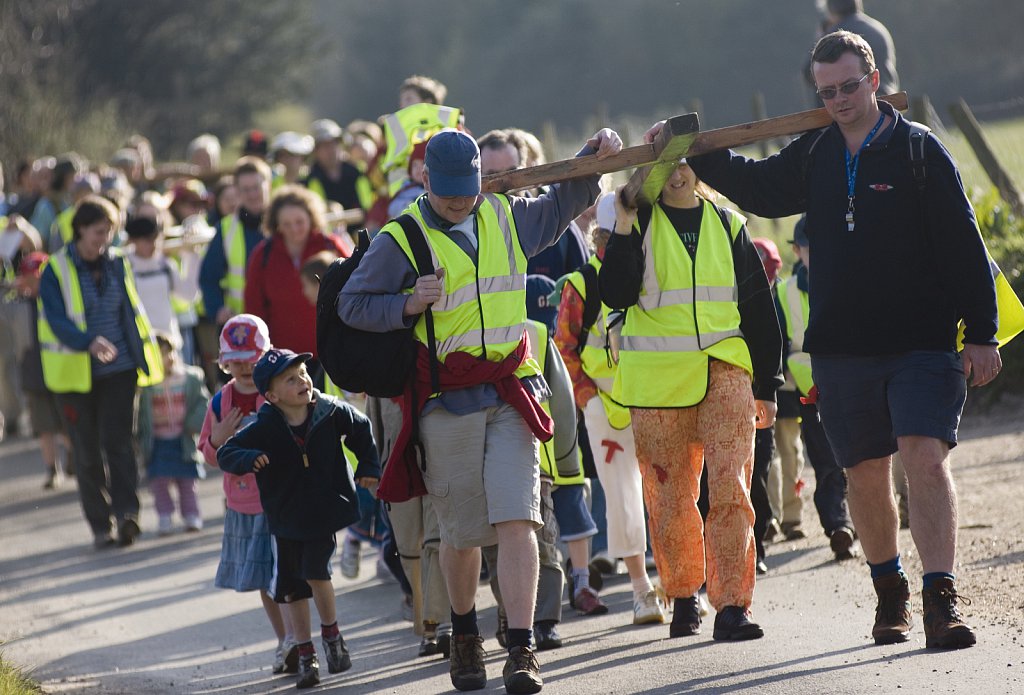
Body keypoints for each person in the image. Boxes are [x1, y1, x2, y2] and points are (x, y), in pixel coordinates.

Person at [682, 30, 997, 650]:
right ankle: (890, 592)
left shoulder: (918, 152)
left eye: (849, 86)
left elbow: (965, 245)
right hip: (842, 348)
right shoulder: (815, 151)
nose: (839, 100)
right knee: (862, 472)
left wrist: (982, 333)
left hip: (922, 342)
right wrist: (696, 149)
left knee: (925, 460)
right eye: (826, 91)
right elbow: (762, 188)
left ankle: (941, 599)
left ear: (875, 79)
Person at [339, 127, 622, 694]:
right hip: (444, 402)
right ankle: (464, 632)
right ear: (425, 179)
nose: (459, 201)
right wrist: (406, 303)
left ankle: (522, 647)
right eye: (447, 192)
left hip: (511, 389)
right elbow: (352, 304)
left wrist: (593, 158)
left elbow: (566, 199)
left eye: (466, 190)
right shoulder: (402, 238)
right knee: (463, 534)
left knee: (520, 519)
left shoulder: (504, 214)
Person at [599, 160, 783, 641]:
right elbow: (615, 291)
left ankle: (732, 607)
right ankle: (684, 597)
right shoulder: (634, 226)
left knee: (730, 488)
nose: (674, 173)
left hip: (725, 370)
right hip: (658, 382)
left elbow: (759, 309)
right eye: (661, 165)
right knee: (670, 495)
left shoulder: (729, 224)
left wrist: (767, 384)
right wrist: (621, 225)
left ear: (698, 167)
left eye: (682, 161)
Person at [218, 348, 381, 689]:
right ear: (273, 395)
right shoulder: (265, 424)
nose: (303, 381)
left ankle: (332, 635)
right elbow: (227, 452)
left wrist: (368, 467)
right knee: (292, 589)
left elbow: (362, 429)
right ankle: (306, 654)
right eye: (291, 379)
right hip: (284, 517)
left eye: (303, 373)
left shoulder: (328, 410)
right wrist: (251, 457)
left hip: (321, 511)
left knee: (317, 573)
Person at [553, 193, 666, 626]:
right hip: (606, 406)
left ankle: (679, 586)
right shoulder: (580, 284)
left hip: (657, 396)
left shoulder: (652, 274)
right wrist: (588, 401)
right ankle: (642, 591)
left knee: (668, 489)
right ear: (600, 239)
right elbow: (565, 347)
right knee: (621, 496)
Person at [37, 195, 164, 548]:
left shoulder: (118, 262)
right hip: (74, 375)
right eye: (97, 232)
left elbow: (128, 312)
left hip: (120, 370)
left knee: (119, 443)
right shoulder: (56, 269)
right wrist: (88, 341)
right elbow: (56, 320)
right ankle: (99, 524)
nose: (103, 239)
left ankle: (127, 516)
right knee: (87, 450)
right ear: (79, 230)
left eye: (108, 232)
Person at [198, 314, 298, 675]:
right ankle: (284, 640)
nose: (242, 367)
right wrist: (218, 438)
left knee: (284, 575)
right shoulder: (219, 403)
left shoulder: (276, 393)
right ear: (224, 362)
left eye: (250, 359)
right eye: (235, 360)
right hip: (244, 506)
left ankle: (296, 641)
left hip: (281, 500)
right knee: (263, 580)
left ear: (265, 355)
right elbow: (208, 456)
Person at [776, 217, 857, 562]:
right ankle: (839, 526)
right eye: (809, 249)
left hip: (853, 386)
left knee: (862, 461)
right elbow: (779, 346)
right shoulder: (783, 293)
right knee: (825, 463)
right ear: (797, 251)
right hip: (810, 396)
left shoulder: (850, 279)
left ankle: (860, 524)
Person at [244, 185, 349, 384]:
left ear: (311, 218)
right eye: (287, 223)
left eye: (299, 222)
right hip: (284, 360)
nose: (294, 229)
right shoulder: (263, 254)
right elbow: (254, 306)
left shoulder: (331, 246)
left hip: (332, 353)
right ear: (276, 224)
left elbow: (355, 290)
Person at [197, 157, 271, 389]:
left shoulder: (283, 221)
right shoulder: (226, 229)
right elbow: (208, 277)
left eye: (256, 187)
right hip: (241, 332)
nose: (252, 194)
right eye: (245, 189)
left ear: (268, 185)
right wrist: (217, 307)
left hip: (277, 322)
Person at [136, 332, 210, 534]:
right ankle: (165, 515)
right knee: (159, 482)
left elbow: (202, 404)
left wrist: (193, 424)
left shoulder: (190, 378)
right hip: (158, 441)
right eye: (160, 354)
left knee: (187, 482)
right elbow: (139, 415)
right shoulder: (146, 385)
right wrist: (140, 438)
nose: (167, 359)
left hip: (183, 439)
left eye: (169, 353)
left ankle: (191, 515)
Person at [14, 250, 73, 488]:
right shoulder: (17, 305)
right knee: (44, 427)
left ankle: (74, 460)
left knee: (66, 424)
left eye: (35, 278)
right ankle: (52, 470)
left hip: (62, 371)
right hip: (34, 374)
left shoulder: (62, 300)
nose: (32, 284)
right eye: (28, 279)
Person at [822, 0, 899, 96]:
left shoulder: (834, 35)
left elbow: (809, 71)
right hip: (889, 96)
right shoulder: (878, 29)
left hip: (860, 101)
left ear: (831, 10)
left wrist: (820, 38)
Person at [305, 119, 372, 213]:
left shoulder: (356, 172)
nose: (330, 150)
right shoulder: (309, 180)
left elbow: (368, 205)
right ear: (315, 151)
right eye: (324, 145)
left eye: (333, 143)